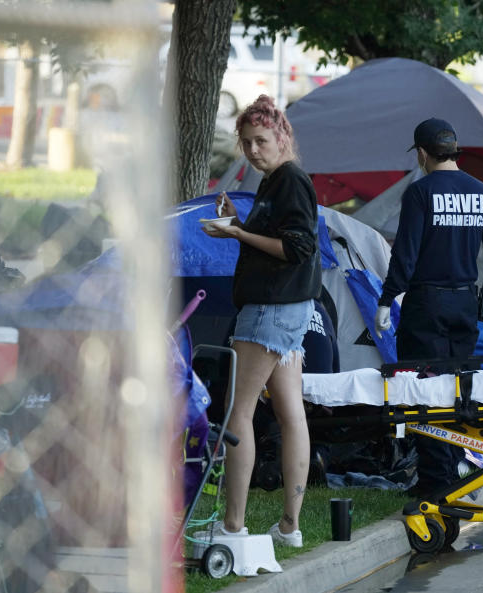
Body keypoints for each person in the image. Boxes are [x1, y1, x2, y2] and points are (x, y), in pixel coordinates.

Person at [203, 95, 321, 548]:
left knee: (239, 412)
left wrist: (235, 232)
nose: (253, 150)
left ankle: (232, 526)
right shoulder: (279, 179)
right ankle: (289, 527)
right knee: (291, 414)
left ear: (282, 137)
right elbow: (276, 239)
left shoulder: (289, 179)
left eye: (261, 141)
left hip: (272, 309)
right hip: (290, 308)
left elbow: (296, 248)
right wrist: (237, 223)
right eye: (246, 142)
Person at [374, 118, 483, 496]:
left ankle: (436, 483)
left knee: (425, 392)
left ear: (422, 153)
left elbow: (406, 252)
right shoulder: (482, 191)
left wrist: (388, 298)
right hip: (466, 302)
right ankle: (452, 471)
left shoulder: (421, 193)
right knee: (456, 390)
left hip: (426, 303)